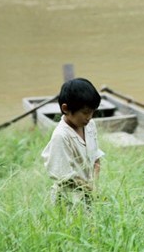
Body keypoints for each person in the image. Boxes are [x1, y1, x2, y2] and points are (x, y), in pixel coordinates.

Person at [41, 77, 105, 210]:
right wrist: (90, 189)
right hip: (68, 200)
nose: (89, 117)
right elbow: (64, 177)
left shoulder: (90, 125)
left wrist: (95, 185)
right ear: (66, 108)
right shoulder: (61, 136)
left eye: (93, 112)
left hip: (88, 195)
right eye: (85, 113)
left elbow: (96, 159)